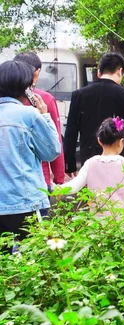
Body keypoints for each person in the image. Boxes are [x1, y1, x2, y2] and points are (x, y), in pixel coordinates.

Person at [63, 52, 124, 179]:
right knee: (119, 196)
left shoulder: (78, 95)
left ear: (99, 72)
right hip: (121, 160)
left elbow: (71, 132)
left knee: (93, 197)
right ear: (120, 71)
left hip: (90, 160)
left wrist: (69, 165)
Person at [0, 61, 61, 252]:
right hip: (25, 203)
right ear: (25, 87)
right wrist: (45, 115)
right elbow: (52, 151)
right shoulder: (28, 115)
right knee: (34, 263)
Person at [61, 117, 124, 215]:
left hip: (97, 224)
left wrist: (53, 189)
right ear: (121, 142)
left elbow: (74, 186)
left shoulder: (90, 163)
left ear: (99, 141)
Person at [13, 52, 65, 192]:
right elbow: (55, 139)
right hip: (39, 180)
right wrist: (59, 178)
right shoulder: (43, 100)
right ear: (37, 72)